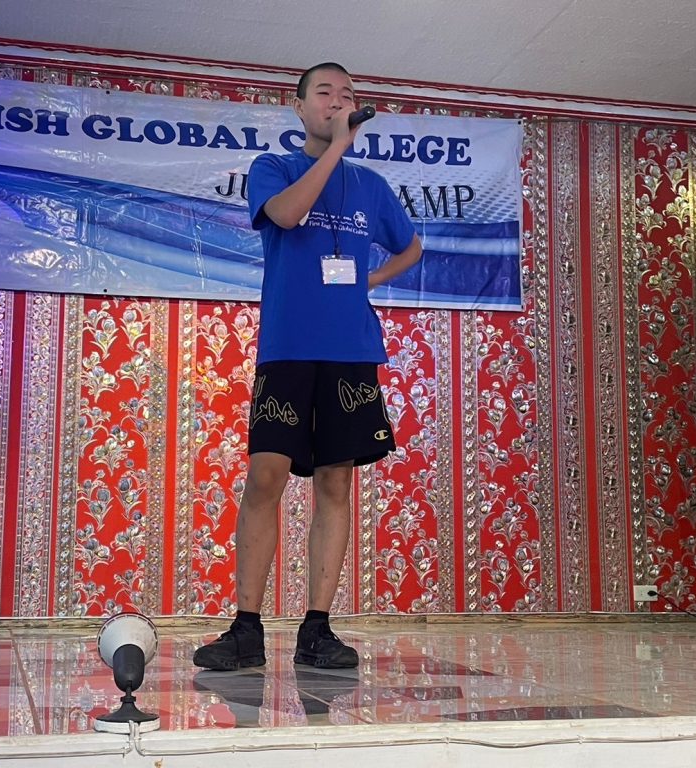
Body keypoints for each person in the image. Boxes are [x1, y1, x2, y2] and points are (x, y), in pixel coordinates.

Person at [193, 62, 422, 671]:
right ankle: (246, 628)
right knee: (265, 476)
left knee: (335, 483)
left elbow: (411, 246)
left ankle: (317, 629)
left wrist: (369, 279)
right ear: (298, 107)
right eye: (325, 93)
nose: (338, 101)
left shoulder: (371, 185)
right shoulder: (274, 168)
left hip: (350, 350)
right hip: (289, 346)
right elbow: (289, 215)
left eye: (348, 94)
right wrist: (336, 149)